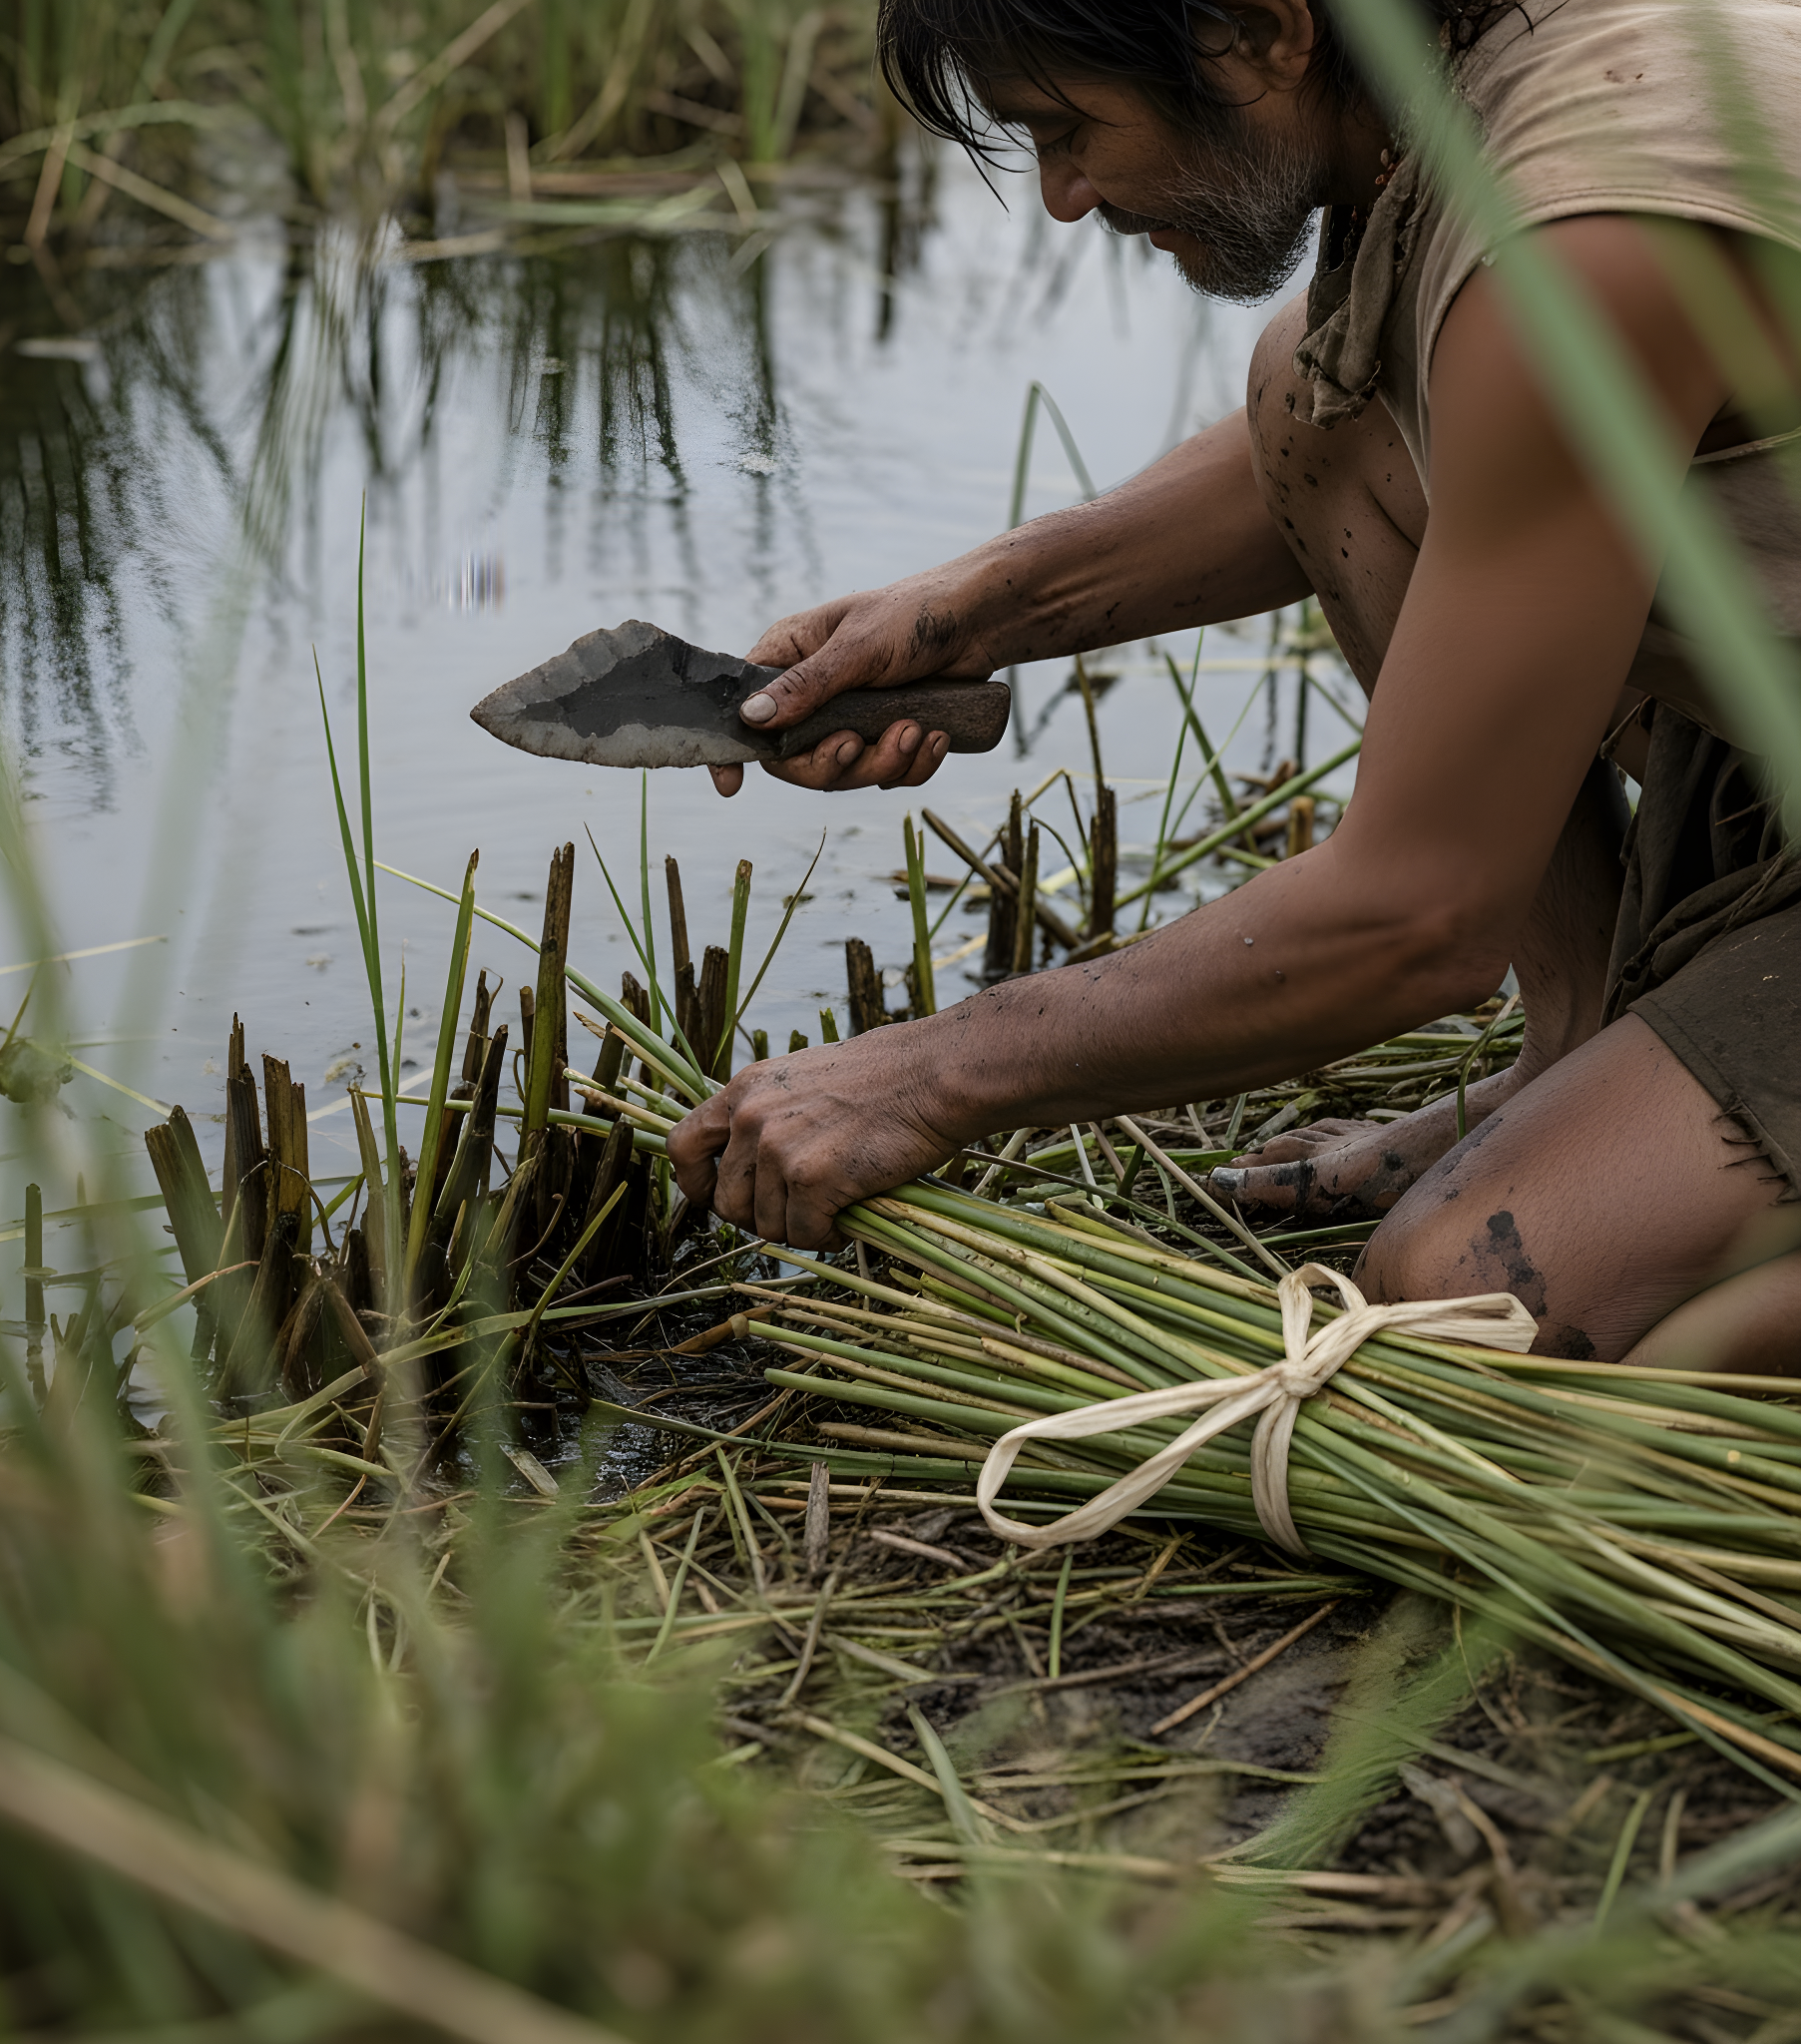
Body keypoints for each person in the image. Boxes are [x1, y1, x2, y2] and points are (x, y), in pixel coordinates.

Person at [666, 0, 1801, 1369]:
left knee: (1467, 1306)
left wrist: (925, 1074)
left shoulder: (1582, 236)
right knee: (1309, 395)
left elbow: (1415, 918)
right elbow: (1397, 443)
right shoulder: (1484, 71)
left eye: (1072, 130)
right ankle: (1577, 1045)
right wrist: (981, 605)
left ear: (1264, 31)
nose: (1066, 198)